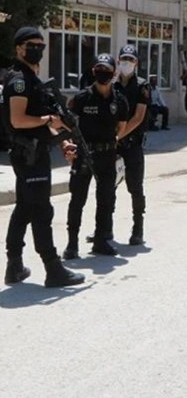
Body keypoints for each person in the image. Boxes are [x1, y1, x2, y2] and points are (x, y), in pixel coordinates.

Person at [2, 26, 84, 287]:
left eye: (40, 45)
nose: (37, 49)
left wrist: (62, 141)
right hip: (29, 155)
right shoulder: (19, 79)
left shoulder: (31, 79)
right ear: (18, 48)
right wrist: (50, 119)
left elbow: (38, 124)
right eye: (31, 44)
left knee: (25, 208)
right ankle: (53, 268)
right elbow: (18, 119)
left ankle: (14, 265)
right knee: (41, 210)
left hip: (34, 151)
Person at [63, 54, 129, 260]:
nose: (103, 73)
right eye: (99, 69)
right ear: (93, 72)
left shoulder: (119, 100)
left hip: (107, 155)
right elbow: (66, 125)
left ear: (114, 73)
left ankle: (101, 241)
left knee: (105, 200)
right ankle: (72, 244)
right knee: (77, 199)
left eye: (107, 70)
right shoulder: (82, 98)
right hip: (84, 154)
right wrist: (67, 145)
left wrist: (111, 141)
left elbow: (122, 126)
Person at [113, 44, 149, 246]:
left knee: (135, 187)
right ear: (118, 61)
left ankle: (138, 229)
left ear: (136, 63)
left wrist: (118, 136)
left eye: (131, 60)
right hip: (114, 144)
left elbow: (138, 117)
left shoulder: (143, 86)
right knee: (108, 186)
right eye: (124, 59)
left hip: (132, 143)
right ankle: (104, 229)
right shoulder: (112, 84)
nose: (127, 63)